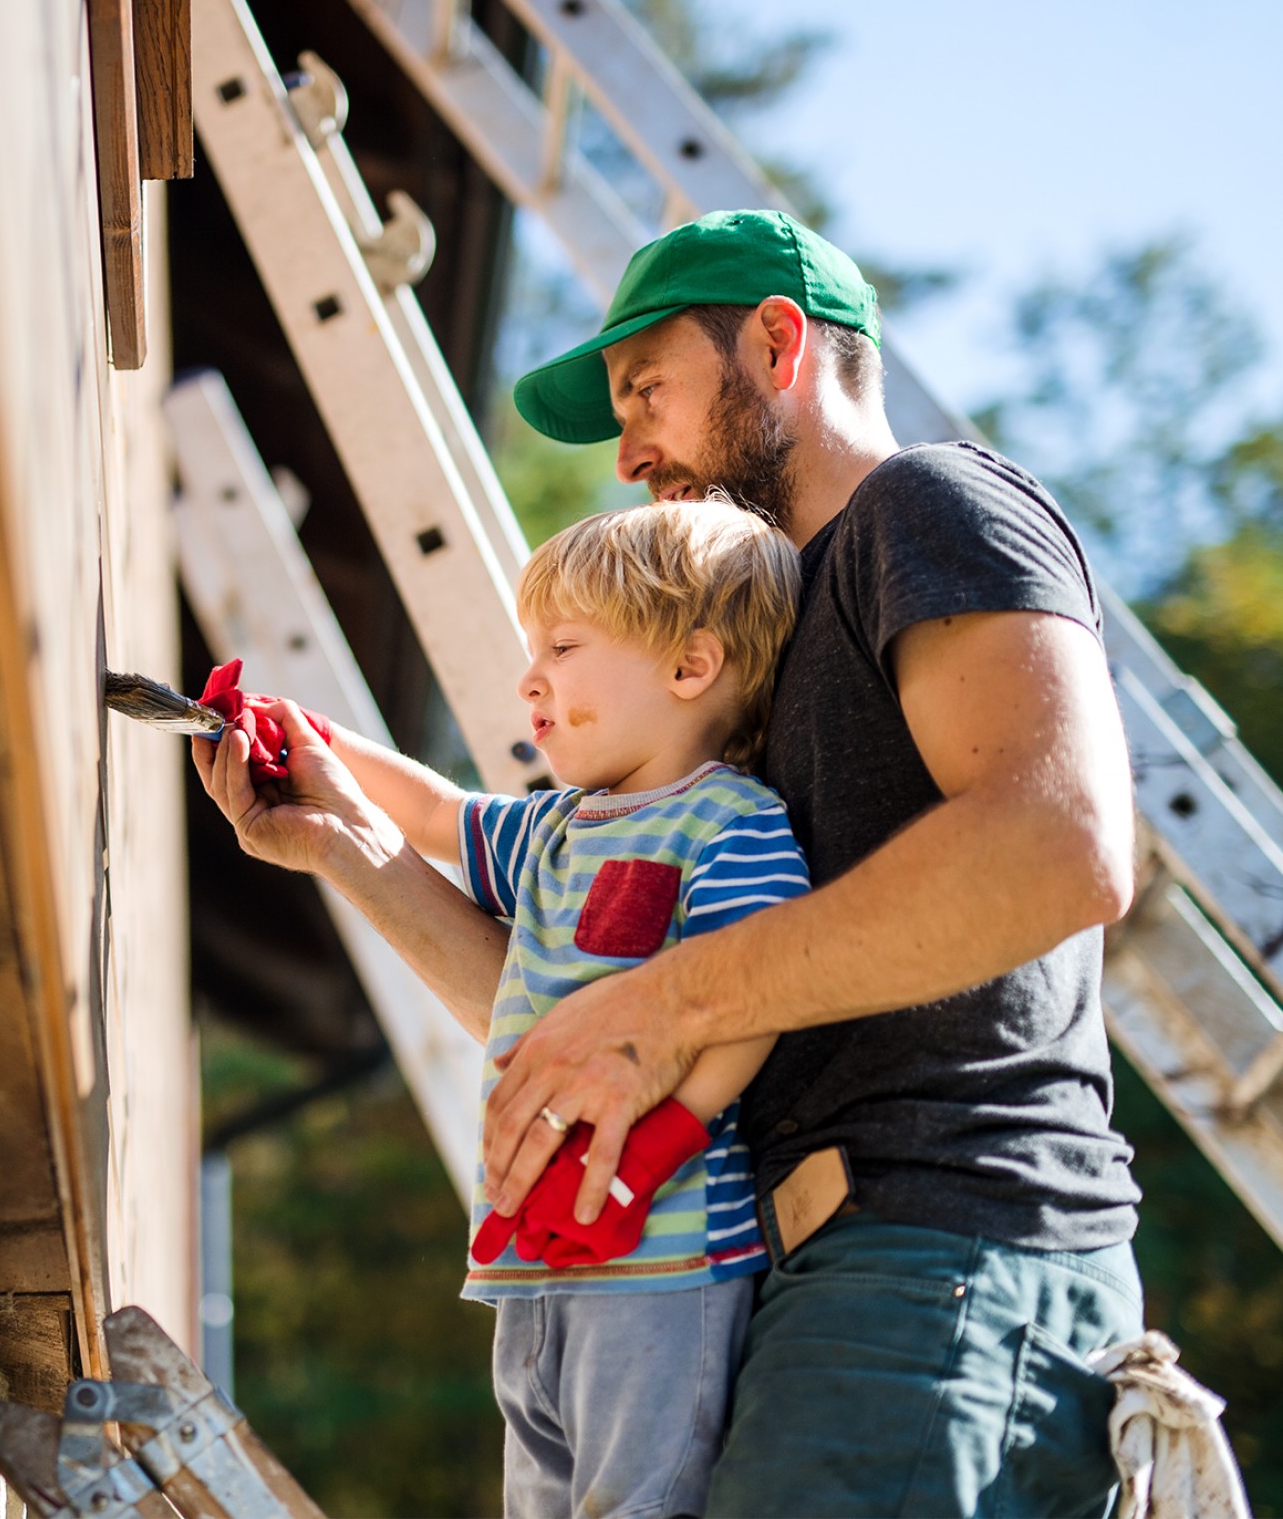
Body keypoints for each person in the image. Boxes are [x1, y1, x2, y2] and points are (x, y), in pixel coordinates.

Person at [196, 208, 1145, 1516]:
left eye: (647, 390)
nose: (632, 453)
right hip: (804, 1278)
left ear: (776, 342)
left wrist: (662, 1004)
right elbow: (584, 1022)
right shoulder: (747, 668)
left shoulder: (926, 510)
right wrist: (353, 850)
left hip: (946, 1252)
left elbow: (1063, 849)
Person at [211, 500, 809, 1519]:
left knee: (636, 1501)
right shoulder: (554, 830)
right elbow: (438, 814)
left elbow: (748, 999)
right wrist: (309, 739)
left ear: (689, 667)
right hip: (524, 1254)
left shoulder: (731, 823)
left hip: (662, 1259)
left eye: (563, 647)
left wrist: (668, 1131)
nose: (528, 677)